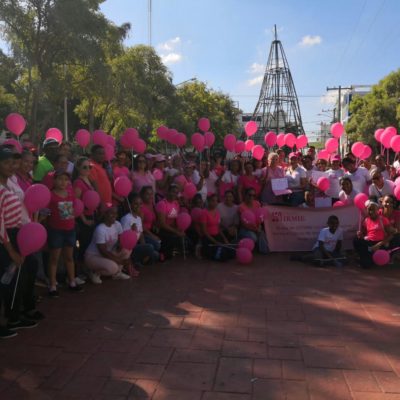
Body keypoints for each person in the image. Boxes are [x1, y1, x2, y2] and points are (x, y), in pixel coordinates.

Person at [0, 147, 39, 338]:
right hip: (4, 239)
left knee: (15, 278)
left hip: (15, 235)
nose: (11, 166)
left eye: (13, 163)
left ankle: (14, 316)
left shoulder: (10, 184)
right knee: (4, 280)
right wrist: (11, 251)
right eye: (6, 163)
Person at [46, 170, 82, 297]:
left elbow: (69, 212)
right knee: (54, 258)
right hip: (55, 230)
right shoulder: (50, 195)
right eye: (60, 179)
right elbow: (45, 212)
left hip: (69, 229)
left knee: (69, 257)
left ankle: (72, 281)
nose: (63, 182)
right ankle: (53, 285)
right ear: (54, 180)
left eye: (66, 180)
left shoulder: (70, 194)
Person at [84, 205, 131, 283]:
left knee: (126, 251)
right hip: (93, 256)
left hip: (108, 253)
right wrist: (118, 260)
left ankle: (117, 274)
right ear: (105, 214)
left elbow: (121, 241)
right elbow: (103, 251)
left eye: (115, 213)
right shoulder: (100, 229)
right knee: (113, 268)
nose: (114, 215)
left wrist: (121, 247)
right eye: (111, 213)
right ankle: (95, 273)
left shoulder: (117, 224)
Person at [353, 200, 395, 269]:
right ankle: (366, 256)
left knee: (366, 263)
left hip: (380, 244)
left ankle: (369, 257)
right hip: (369, 244)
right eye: (369, 210)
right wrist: (360, 235)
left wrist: (378, 245)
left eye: (373, 209)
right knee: (356, 240)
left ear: (377, 210)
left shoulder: (383, 219)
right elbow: (363, 234)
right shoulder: (366, 220)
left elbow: (391, 235)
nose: (371, 212)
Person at [121, 193, 158, 269]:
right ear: (130, 205)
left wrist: (145, 252)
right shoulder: (126, 218)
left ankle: (140, 261)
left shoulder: (138, 218)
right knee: (150, 248)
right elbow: (124, 240)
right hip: (129, 249)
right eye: (135, 204)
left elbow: (141, 236)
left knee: (155, 254)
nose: (138, 206)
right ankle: (134, 261)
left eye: (140, 204)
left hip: (137, 245)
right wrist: (132, 231)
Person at [73, 157, 97, 264]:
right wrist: (84, 220)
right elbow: (76, 203)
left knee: (89, 244)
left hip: (91, 215)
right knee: (84, 245)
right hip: (84, 219)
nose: (88, 169)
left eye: (89, 166)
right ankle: (82, 269)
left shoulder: (87, 179)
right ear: (78, 168)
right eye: (84, 167)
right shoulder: (78, 182)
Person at [200, 194, 235, 261]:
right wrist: (215, 241)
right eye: (213, 201)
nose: (215, 203)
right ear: (208, 201)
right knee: (222, 256)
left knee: (232, 253)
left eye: (216, 201)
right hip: (208, 238)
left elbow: (218, 228)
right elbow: (204, 231)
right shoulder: (204, 213)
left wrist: (224, 239)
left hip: (217, 236)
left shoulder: (217, 212)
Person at [156, 184, 184, 259]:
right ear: (168, 192)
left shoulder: (176, 204)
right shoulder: (162, 204)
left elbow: (175, 219)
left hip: (171, 228)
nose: (174, 194)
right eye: (172, 192)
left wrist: (179, 229)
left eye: (176, 193)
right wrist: (175, 231)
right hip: (162, 230)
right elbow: (162, 224)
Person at [238, 188, 268, 254]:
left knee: (261, 234)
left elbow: (260, 216)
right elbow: (243, 223)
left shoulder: (257, 203)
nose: (252, 197)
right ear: (245, 195)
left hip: (256, 227)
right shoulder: (241, 207)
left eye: (253, 195)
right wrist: (255, 230)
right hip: (245, 229)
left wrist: (259, 227)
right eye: (249, 195)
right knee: (253, 237)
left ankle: (263, 252)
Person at [140, 186, 162, 258]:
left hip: (151, 230)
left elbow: (153, 219)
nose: (150, 196)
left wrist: (156, 225)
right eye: (147, 194)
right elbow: (141, 226)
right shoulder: (141, 207)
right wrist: (152, 235)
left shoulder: (152, 204)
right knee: (157, 245)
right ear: (142, 195)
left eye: (151, 194)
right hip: (143, 233)